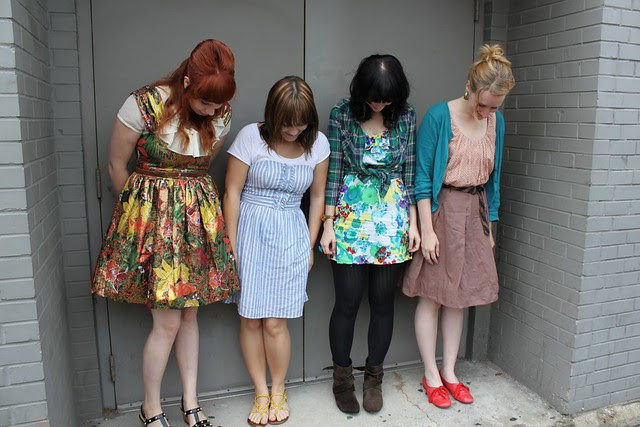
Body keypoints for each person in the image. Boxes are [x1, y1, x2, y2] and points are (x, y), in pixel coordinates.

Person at [91, 39, 239, 427]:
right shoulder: (143, 104)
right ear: (187, 81)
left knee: (189, 317)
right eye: (205, 101)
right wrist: (140, 221)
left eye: (218, 104)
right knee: (168, 322)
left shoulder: (221, 113)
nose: (212, 111)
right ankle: (150, 407)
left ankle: (191, 404)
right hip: (152, 224)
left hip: (196, 223)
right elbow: (116, 166)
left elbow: (201, 165)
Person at [402, 44, 515, 409]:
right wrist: (427, 230)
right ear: (469, 86)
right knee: (433, 295)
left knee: (461, 297)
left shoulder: (496, 122)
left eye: (494, 107)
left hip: (475, 212)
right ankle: (431, 374)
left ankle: (450, 372)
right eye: (483, 105)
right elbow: (422, 179)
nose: (486, 113)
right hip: (442, 211)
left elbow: (494, 180)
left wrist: (490, 228)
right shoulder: (440, 116)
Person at [223, 76, 329, 426]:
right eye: (286, 122)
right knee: (250, 318)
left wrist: (310, 244)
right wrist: (231, 244)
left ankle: (279, 389)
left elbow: (317, 197)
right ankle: (260, 392)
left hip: (291, 234)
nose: (293, 130)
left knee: (275, 321)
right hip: (251, 231)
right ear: (272, 114)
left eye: (300, 123)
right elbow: (232, 193)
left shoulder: (318, 145)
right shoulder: (250, 137)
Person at [319, 54, 420, 414]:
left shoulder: (406, 116)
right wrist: (327, 223)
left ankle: (374, 378)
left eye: (386, 98)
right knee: (347, 301)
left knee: (382, 302)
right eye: (374, 97)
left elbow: (409, 170)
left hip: (391, 217)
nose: (380, 104)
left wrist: (414, 222)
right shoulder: (342, 114)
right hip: (349, 216)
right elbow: (334, 169)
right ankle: (342, 379)